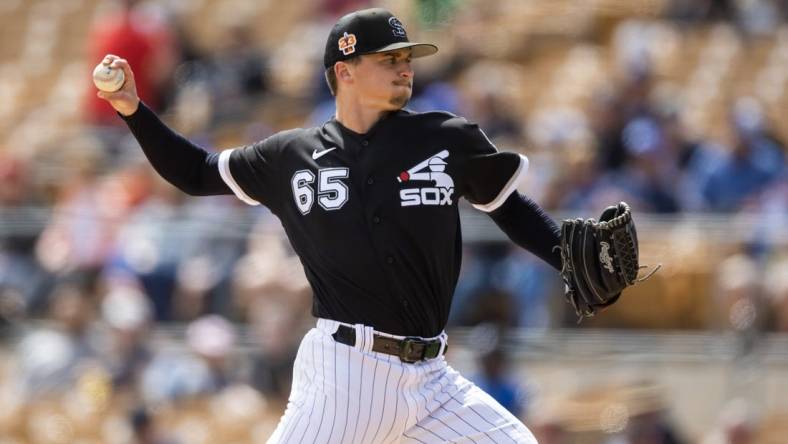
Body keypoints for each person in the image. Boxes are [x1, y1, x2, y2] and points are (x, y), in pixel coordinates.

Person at [97, 8, 568, 443]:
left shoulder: (444, 138)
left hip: (433, 379)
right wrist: (134, 110)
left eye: (406, 58)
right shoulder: (289, 155)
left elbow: (508, 206)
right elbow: (196, 172)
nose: (405, 68)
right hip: (348, 373)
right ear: (345, 71)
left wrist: (566, 257)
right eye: (388, 60)